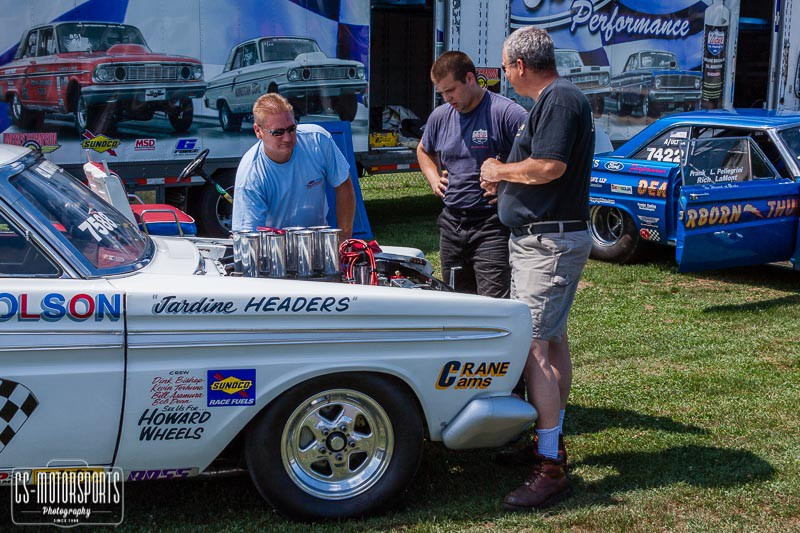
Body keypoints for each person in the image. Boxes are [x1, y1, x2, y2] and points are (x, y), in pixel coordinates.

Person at [479, 26, 594, 511]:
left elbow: (550, 167)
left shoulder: (560, 99)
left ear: (521, 66)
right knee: (552, 341)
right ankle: (549, 439)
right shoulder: (554, 99)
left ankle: (550, 465)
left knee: (532, 348)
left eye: (506, 66)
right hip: (544, 240)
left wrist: (499, 172)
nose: (505, 74)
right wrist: (507, 185)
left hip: (548, 244)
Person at [417, 51, 527, 297]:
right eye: (441, 93)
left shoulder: (506, 113)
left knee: (493, 304)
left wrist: (507, 183)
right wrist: (434, 179)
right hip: (452, 224)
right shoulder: (440, 116)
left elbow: (537, 158)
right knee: (457, 303)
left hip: (492, 225)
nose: (447, 98)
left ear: (469, 79)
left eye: (451, 90)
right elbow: (423, 150)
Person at [231, 93, 355, 237]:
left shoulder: (319, 140)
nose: (288, 138)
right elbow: (248, 237)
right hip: (275, 247)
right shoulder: (250, 175)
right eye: (278, 132)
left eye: (291, 129)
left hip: (318, 242)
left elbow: (343, 183)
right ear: (258, 131)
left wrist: (345, 237)